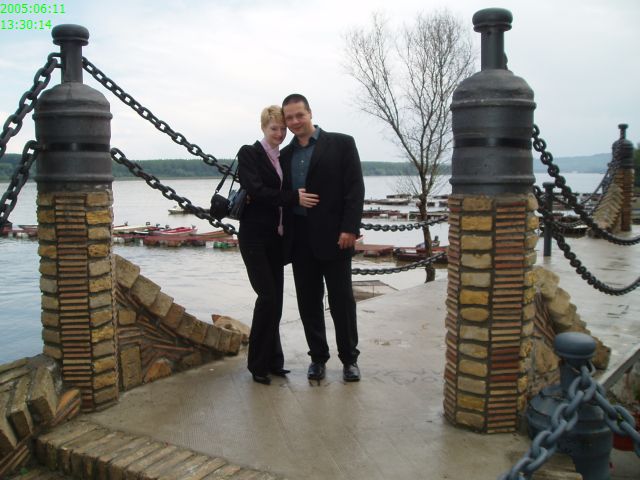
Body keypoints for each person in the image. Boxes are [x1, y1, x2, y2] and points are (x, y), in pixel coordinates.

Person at [280, 94, 365, 382]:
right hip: (300, 239)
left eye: (299, 115)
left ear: (310, 113)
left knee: (342, 301)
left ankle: (349, 359)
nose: (295, 121)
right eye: (289, 118)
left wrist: (350, 228)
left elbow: (355, 188)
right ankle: (317, 358)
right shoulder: (285, 155)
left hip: (335, 237)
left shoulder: (342, 143)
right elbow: (281, 194)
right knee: (308, 302)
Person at [237, 105, 319, 385]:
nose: (280, 133)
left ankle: (274, 361)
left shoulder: (283, 157)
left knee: (277, 302)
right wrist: (293, 197)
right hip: (254, 237)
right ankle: (257, 364)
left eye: (283, 129)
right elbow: (257, 191)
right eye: (274, 128)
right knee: (267, 298)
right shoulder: (249, 153)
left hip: (276, 238)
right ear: (263, 127)